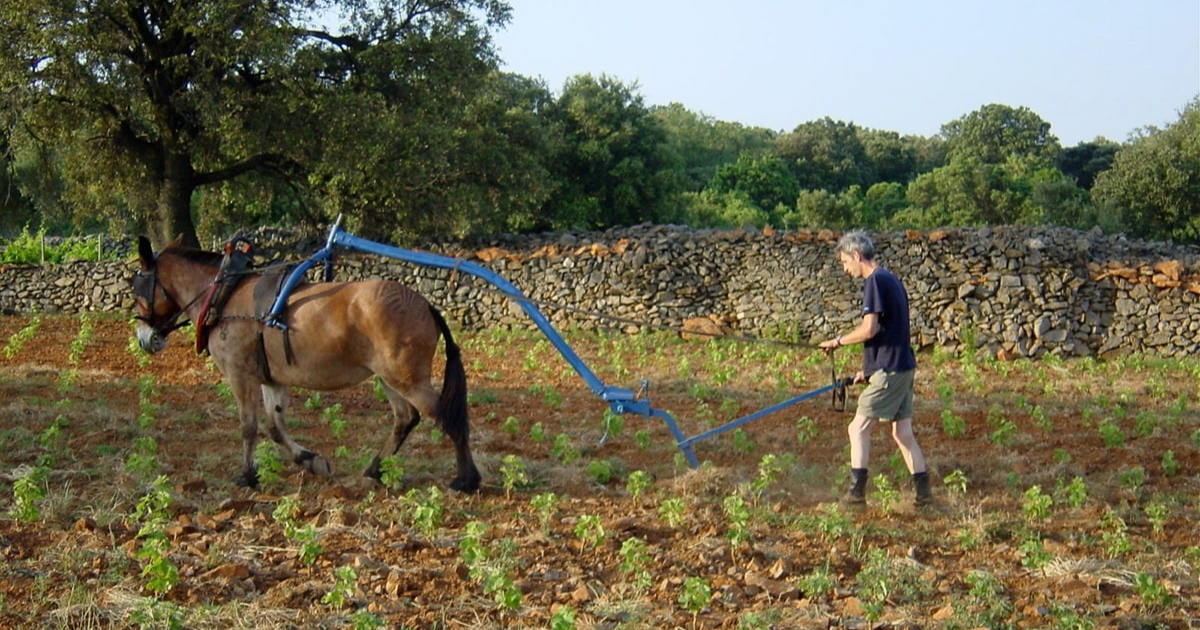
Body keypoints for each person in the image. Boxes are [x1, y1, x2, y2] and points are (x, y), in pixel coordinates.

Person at [818, 230, 931, 507]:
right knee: (903, 433)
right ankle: (924, 496)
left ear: (857, 256)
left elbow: (869, 330)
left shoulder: (875, 282)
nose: (846, 269)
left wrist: (837, 341)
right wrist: (867, 372)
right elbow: (889, 332)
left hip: (891, 370)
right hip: (901, 366)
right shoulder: (890, 279)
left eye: (846, 262)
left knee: (857, 429)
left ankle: (856, 496)